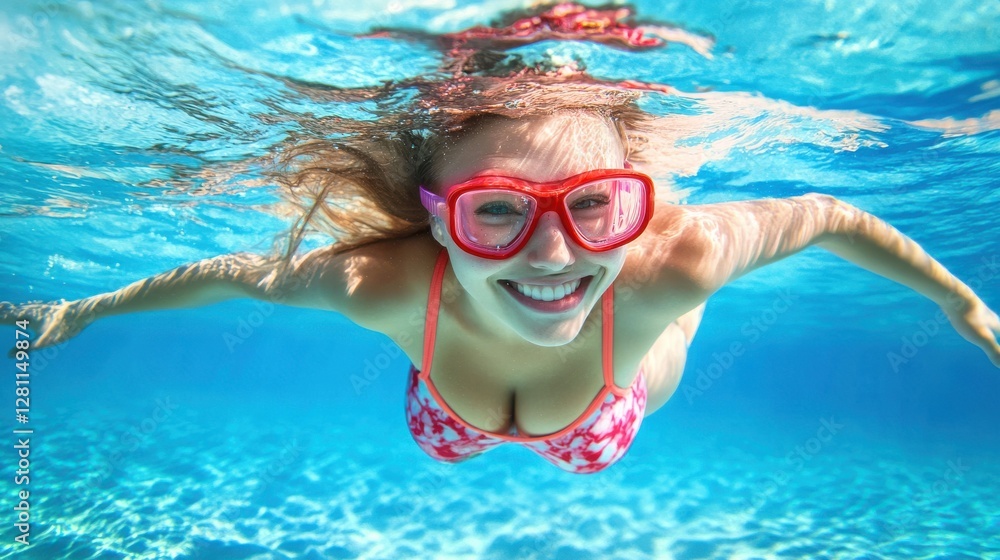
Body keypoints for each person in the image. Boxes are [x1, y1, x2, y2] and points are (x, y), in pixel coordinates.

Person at [3, 4, 998, 475]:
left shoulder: (664, 260)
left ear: (629, 198)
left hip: (604, 404)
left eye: (594, 205)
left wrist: (959, 301)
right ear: (435, 212)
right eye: (497, 210)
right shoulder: (378, 284)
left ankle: (656, 276)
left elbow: (828, 213)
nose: (554, 252)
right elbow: (231, 275)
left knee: (678, 288)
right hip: (450, 410)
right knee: (462, 436)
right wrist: (79, 310)